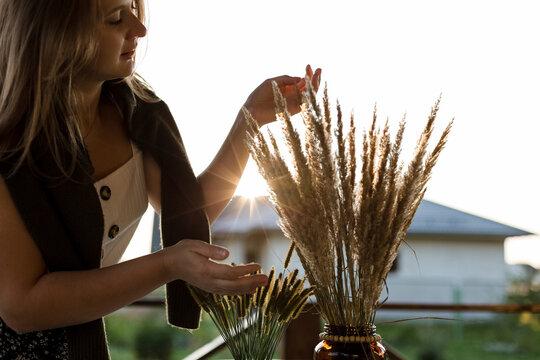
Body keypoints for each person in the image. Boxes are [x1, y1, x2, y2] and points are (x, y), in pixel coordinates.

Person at [0, 0, 322, 358]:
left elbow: (188, 214)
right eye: (114, 19)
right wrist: (168, 264)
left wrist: (252, 118)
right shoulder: (10, 141)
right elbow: (21, 307)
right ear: (55, 36)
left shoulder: (140, 115)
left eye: (135, 10)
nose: (140, 30)